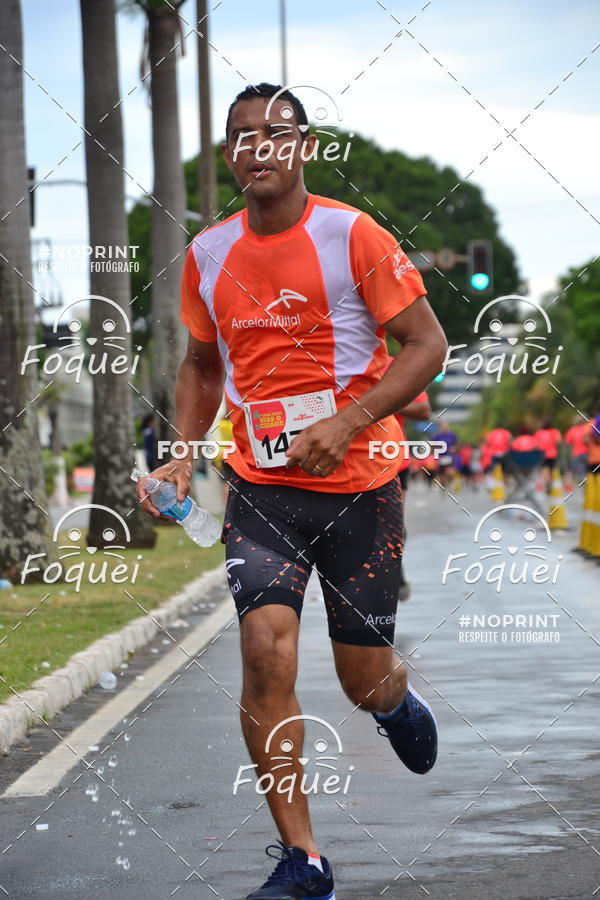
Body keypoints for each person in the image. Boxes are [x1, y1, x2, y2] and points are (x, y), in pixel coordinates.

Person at [137, 83, 448, 900]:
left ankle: (394, 705)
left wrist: (349, 422)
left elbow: (426, 344)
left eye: (276, 133)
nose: (258, 148)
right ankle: (304, 861)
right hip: (262, 488)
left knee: (362, 677)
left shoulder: (354, 235)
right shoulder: (208, 254)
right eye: (241, 137)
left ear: (305, 146)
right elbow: (203, 367)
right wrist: (181, 456)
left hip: (361, 488)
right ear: (230, 155)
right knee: (265, 651)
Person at [384, 354, 431, 601]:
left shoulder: (397, 363)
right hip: (343, 460)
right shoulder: (330, 360)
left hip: (392, 461)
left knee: (393, 525)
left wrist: (378, 402)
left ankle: (395, 573)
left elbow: (423, 410)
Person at [535, 420, 562, 486]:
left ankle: (546, 483)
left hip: (541, 454)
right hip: (552, 454)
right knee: (550, 469)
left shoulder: (539, 432)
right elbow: (559, 442)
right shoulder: (555, 432)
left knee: (544, 469)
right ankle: (548, 483)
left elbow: (535, 444)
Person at [564, 415, 589, 482]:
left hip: (576, 454)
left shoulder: (571, 430)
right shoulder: (586, 428)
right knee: (587, 471)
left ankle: (582, 485)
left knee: (579, 472)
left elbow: (567, 443)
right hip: (587, 453)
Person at [435, 419, 458, 488]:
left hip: (450, 457)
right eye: (443, 426)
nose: (444, 428)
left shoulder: (452, 435)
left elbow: (457, 445)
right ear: (440, 427)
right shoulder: (437, 436)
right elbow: (432, 446)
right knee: (442, 474)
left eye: (446, 426)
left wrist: (454, 449)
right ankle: (443, 485)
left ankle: (449, 482)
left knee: (451, 473)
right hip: (441, 457)